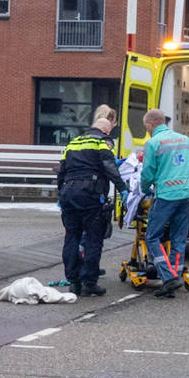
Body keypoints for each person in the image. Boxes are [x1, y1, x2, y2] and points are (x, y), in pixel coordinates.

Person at [55, 108, 122, 297]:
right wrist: (123, 188)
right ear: (107, 131)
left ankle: (73, 281)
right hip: (90, 195)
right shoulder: (103, 141)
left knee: (71, 236)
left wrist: (62, 194)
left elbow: (61, 171)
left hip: (69, 194)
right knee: (94, 238)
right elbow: (110, 167)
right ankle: (89, 282)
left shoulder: (74, 142)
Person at [138, 108, 189, 298]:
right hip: (186, 196)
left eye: (146, 127)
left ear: (151, 124)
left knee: (152, 236)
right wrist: (187, 182)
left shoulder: (153, 143)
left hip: (166, 196)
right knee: (178, 238)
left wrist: (144, 188)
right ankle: (175, 275)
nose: (147, 130)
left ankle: (167, 277)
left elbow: (148, 172)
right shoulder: (184, 139)